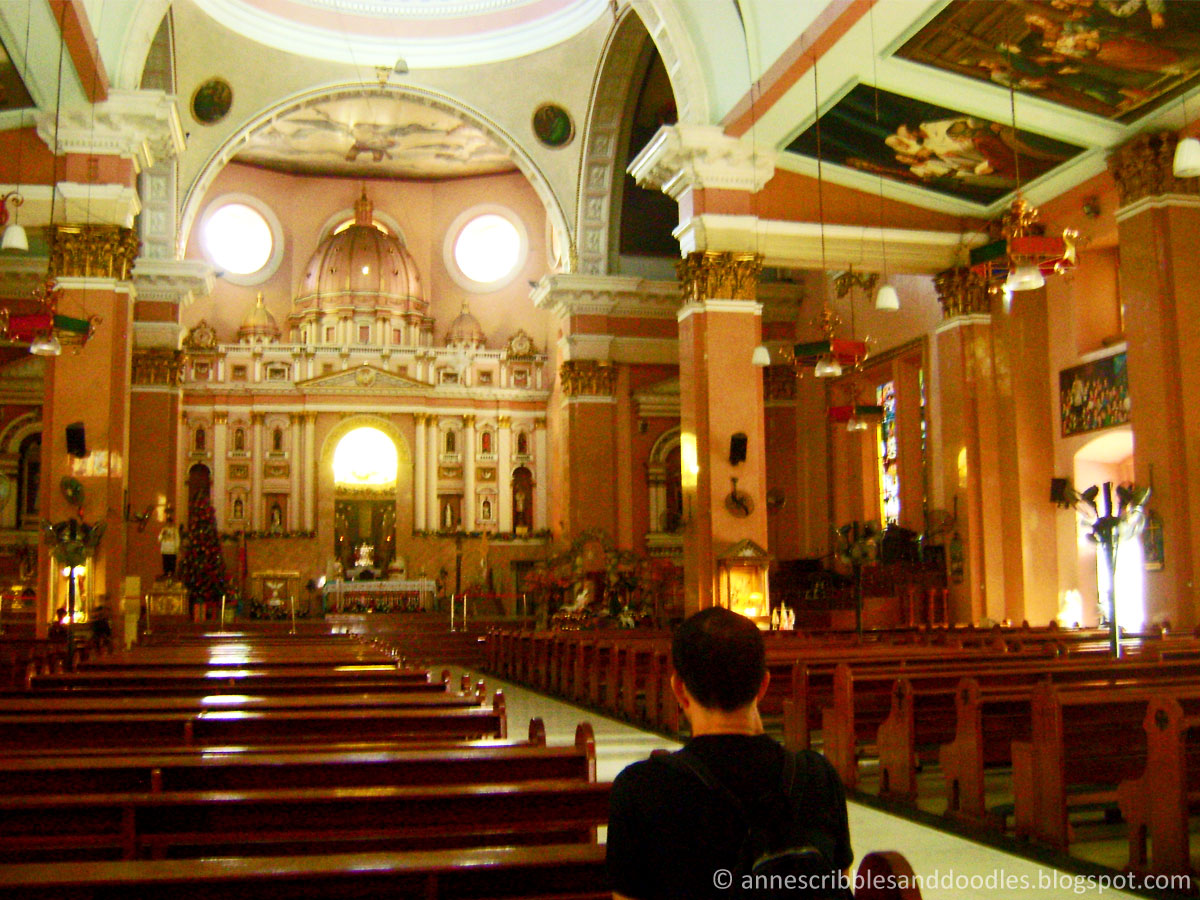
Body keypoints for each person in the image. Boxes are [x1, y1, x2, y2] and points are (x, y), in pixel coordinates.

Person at [607, 607, 853, 899]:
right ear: (763, 685)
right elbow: (839, 881)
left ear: (679, 690)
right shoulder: (818, 777)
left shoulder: (642, 788)